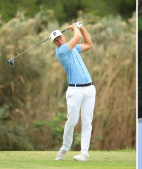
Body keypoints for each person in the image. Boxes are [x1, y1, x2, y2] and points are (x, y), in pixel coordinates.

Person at [50, 22, 96, 162]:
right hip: (74, 90)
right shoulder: (61, 51)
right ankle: (64, 148)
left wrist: (82, 27)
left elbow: (89, 44)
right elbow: (76, 37)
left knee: (87, 122)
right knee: (72, 121)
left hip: (89, 88)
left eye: (59, 37)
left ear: (63, 36)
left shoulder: (74, 49)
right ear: (54, 43)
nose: (59, 41)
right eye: (56, 40)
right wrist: (76, 28)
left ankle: (84, 153)